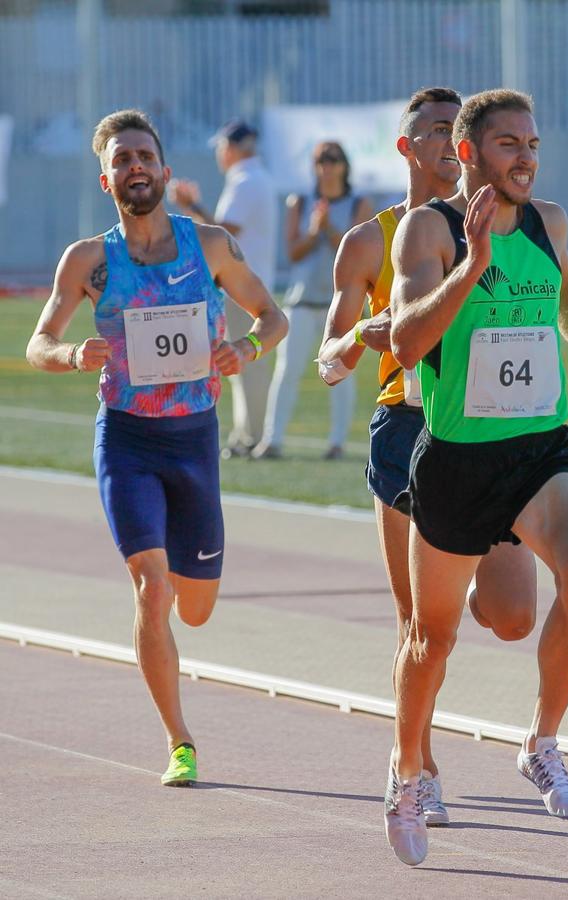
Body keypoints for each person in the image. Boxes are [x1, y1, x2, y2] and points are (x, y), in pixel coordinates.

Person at [386, 89, 568, 866]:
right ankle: (408, 769)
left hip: (539, 448)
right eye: (508, 143)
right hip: (456, 459)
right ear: (469, 152)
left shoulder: (548, 221)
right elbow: (411, 341)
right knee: (433, 638)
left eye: (532, 142)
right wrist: (474, 265)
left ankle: (542, 742)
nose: (525, 155)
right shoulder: (429, 229)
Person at [26, 109, 288, 787]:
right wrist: (70, 355)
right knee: (152, 587)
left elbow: (273, 314)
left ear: (166, 170)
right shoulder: (88, 260)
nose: (134, 167)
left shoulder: (210, 244)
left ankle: (180, 629)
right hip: (128, 438)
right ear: (106, 176)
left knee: (195, 607)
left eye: (144, 155)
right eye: (122, 159)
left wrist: (247, 347)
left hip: (194, 439)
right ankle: (179, 740)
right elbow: (37, 342)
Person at [317, 87, 538, 839]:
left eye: (457, 129)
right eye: (434, 130)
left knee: (510, 615)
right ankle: (418, 766)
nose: (449, 140)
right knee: (418, 623)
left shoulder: (503, 226)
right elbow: (327, 358)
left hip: (483, 428)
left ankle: (464, 584)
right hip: (405, 427)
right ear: (407, 146)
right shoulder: (371, 241)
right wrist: (358, 341)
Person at [252, 141, 373, 460]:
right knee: (287, 371)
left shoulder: (359, 203)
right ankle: (272, 439)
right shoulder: (300, 202)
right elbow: (292, 253)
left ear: (344, 165)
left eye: (333, 160)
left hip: (342, 304)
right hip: (302, 301)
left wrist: (328, 229)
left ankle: (337, 443)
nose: (327, 167)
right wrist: (313, 231)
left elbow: (355, 254)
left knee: (341, 374)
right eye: (321, 160)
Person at [169, 118, 277, 458]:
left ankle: (249, 436)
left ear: (232, 148)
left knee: (245, 363)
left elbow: (222, 233)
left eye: (221, 146)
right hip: (246, 284)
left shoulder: (246, 181)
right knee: (245, 363)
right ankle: (247, 434)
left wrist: (191, 207)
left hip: (240, 287)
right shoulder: (253, 178)